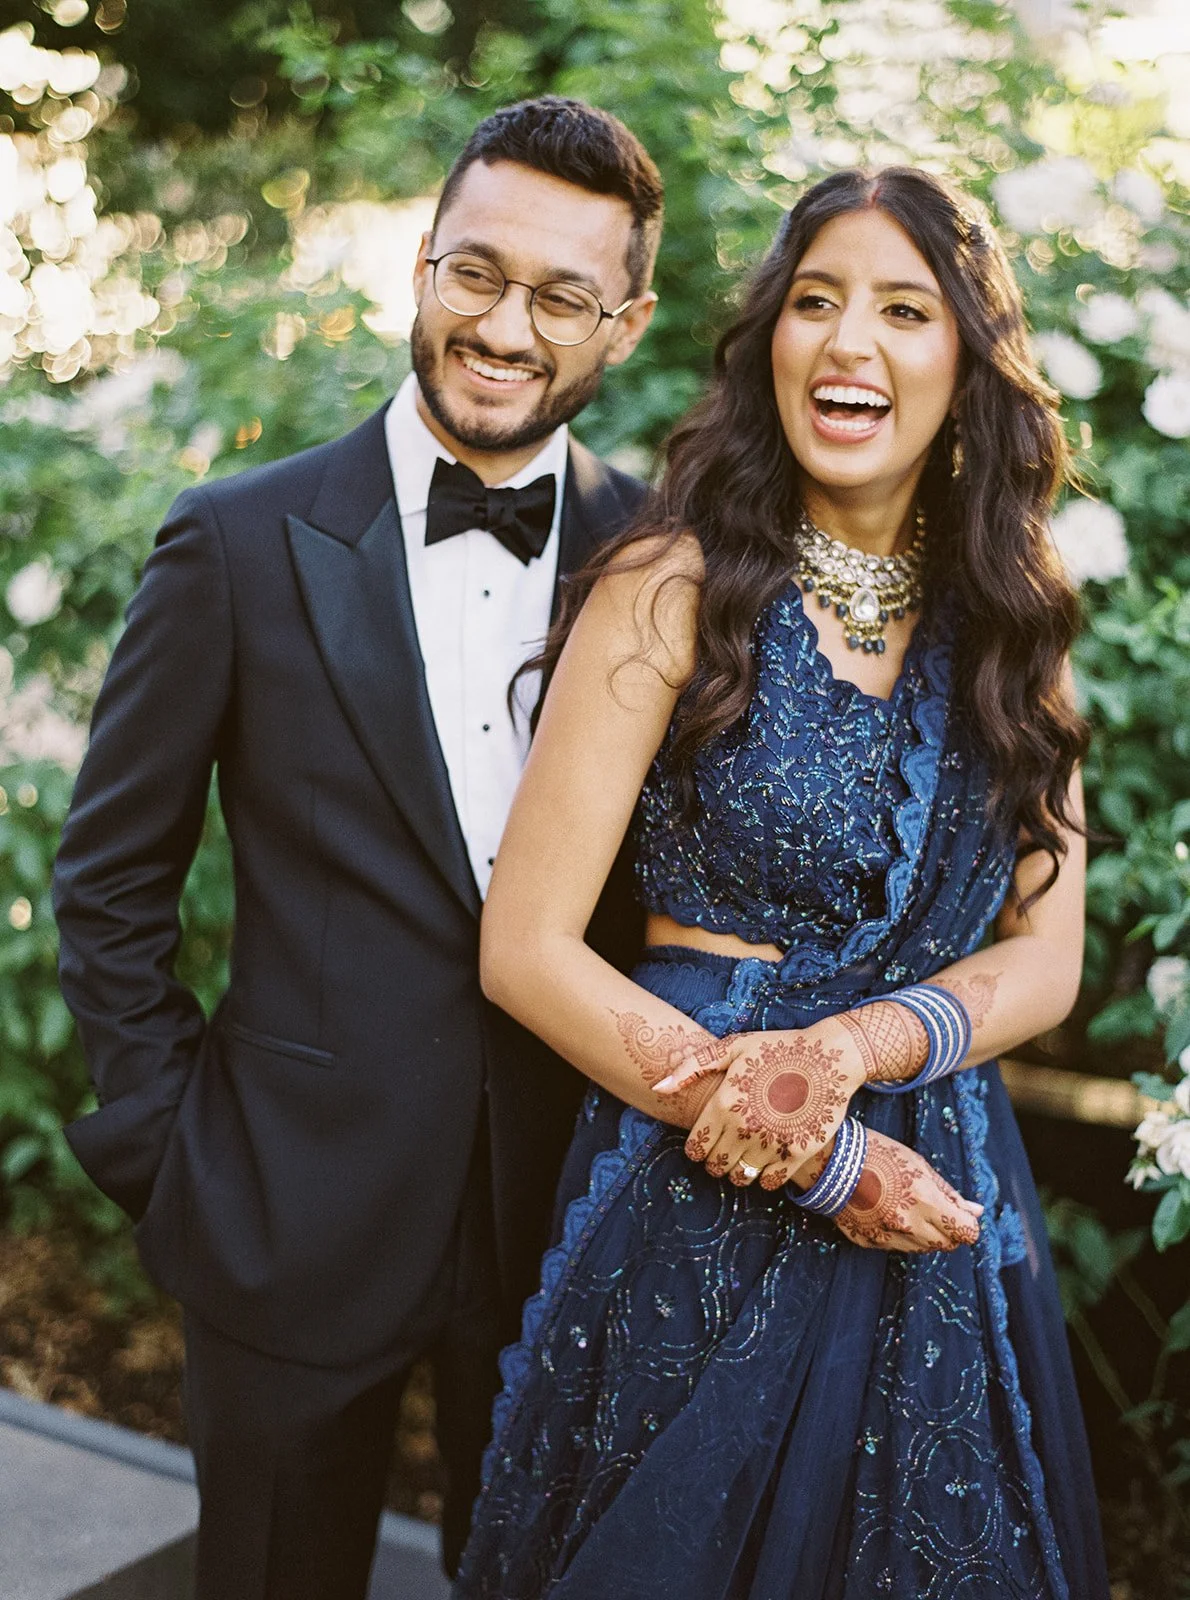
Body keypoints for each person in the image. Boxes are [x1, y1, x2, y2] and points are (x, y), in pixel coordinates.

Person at [456, 167, 1111, 1599]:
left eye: (901, 309)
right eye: (813, 303)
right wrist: (807, 1144)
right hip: (693, 1194)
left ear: (966, 362)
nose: (847, 344)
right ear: (768, 340)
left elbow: (1042, 957)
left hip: (937, 1184)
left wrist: (857, 1051)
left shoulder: (1014, 621)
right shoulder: (672, 588)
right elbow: (527, 946)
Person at [51, 96, 661, 1599]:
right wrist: (168, 1148)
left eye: (562, 295)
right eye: (477, 272)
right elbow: (111, 873)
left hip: (564, 1218)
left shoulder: (664, 563)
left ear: (624, 325)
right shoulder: (236, 541)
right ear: (421, 265)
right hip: (283, 1212)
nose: (507, 326)